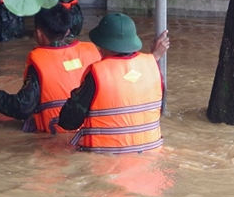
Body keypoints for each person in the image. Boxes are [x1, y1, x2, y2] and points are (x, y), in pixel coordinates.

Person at [0, 3, 101, 133]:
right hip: (92, 131)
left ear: (38, 33)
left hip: (54, 137)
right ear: (67, 31)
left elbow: (22, 107)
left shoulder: (39, 61)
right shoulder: (90, 51)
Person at [59, 13, 170, 154]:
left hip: (105, 160)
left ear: (104, 46)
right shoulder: (152, 65)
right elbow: (158, 110)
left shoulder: (97, 74)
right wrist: (154, 56)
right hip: (150, 154)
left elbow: (68, 121)